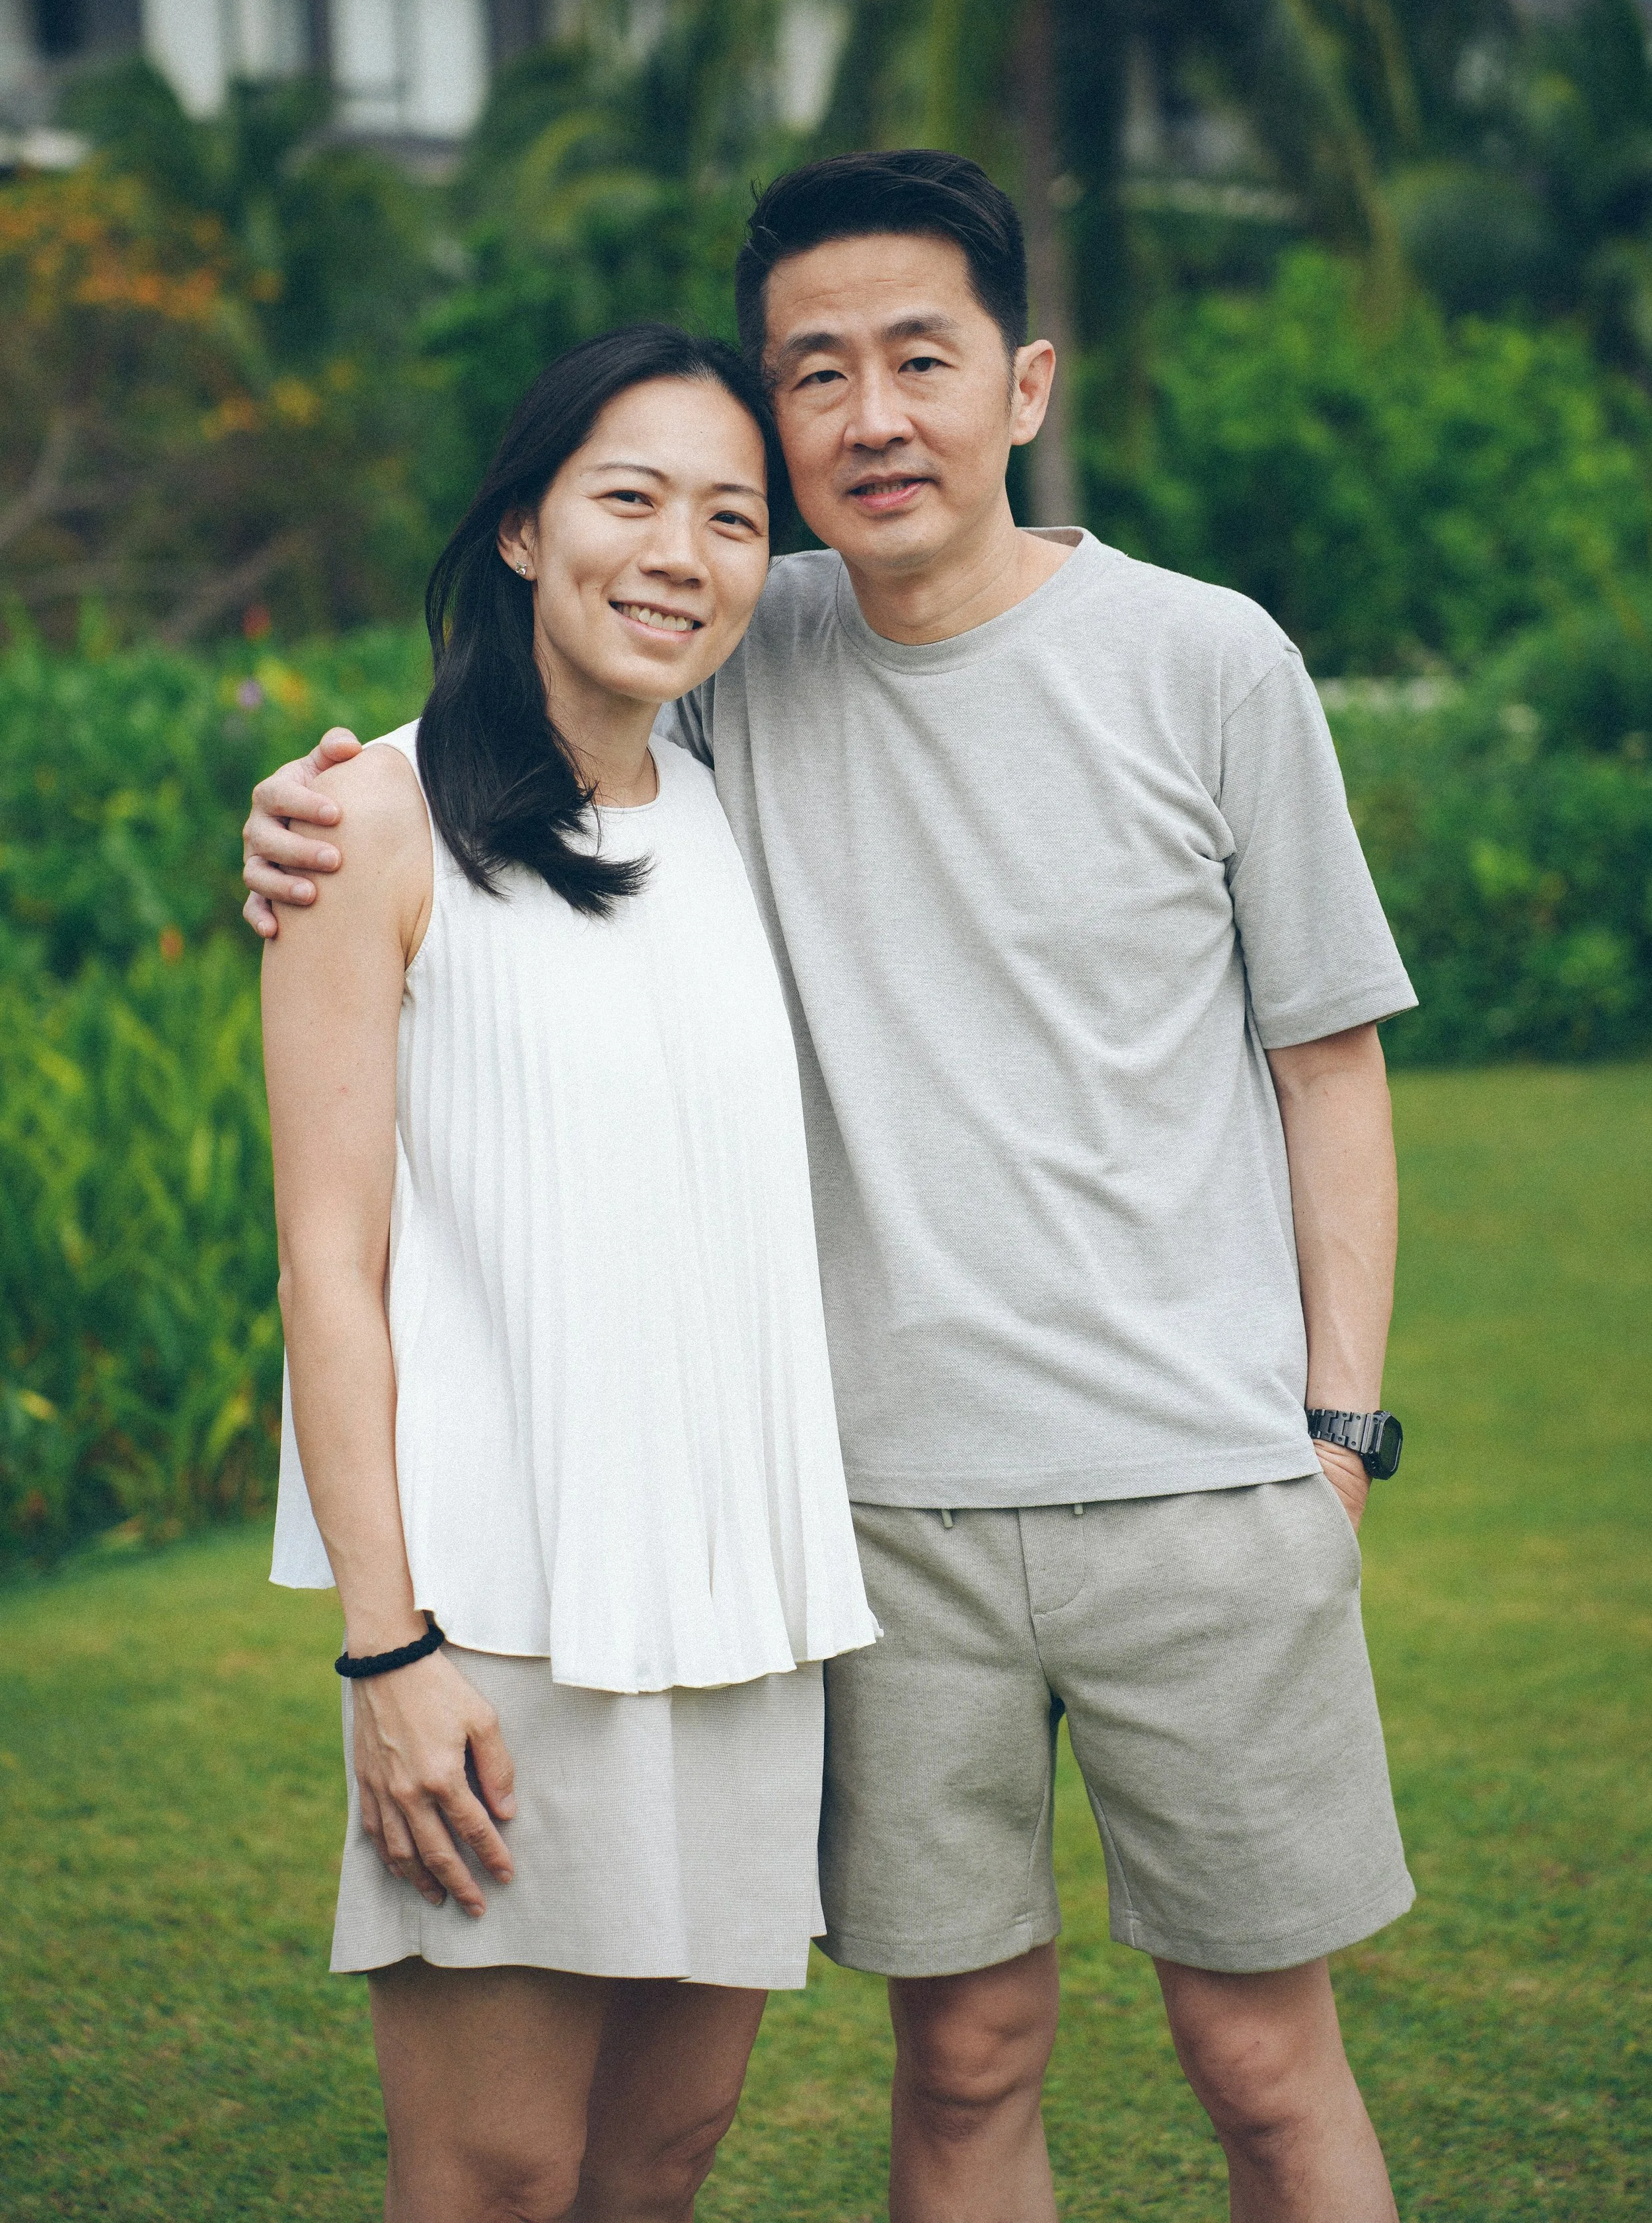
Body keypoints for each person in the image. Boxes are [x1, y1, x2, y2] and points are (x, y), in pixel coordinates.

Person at [247, 153, 1418, 2223]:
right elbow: (504, 729)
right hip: (878, 1536)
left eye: (920, 360)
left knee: (1255, 2059)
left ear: (1021, 381)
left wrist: (1332, 1432)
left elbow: (1325, 1059)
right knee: (959, 2057)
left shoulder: (1205, 657)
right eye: (817, 375)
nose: (870, 415)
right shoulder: (730, 651)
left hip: (1194, 1492)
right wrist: (310, 809)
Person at [260, 320, 876, 2223]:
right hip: (502, 1619)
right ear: (525, 526)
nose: (677, 553)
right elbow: (327, 1264)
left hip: (750, 1608)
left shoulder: (738, 812)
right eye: (629, 498)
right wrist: (391, 1648)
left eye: (728, 517)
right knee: (495, 2175)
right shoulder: (370, 821)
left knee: (659, 2164)